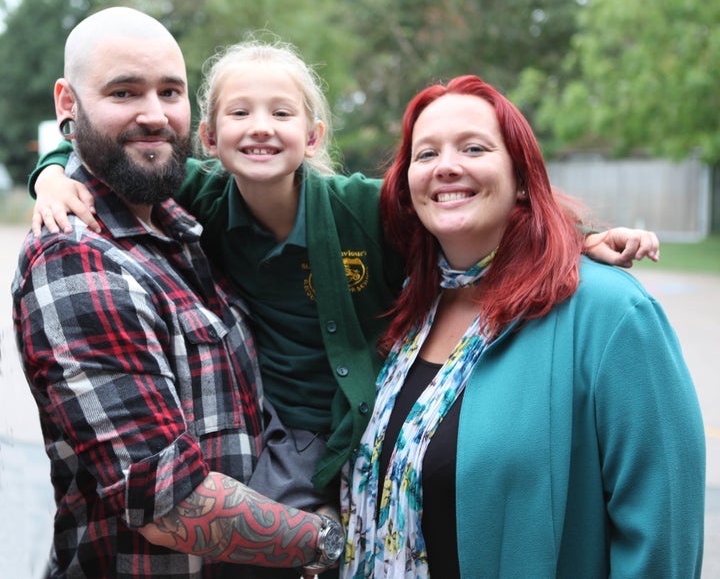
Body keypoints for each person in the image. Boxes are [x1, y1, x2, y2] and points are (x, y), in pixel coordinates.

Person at [30, 38, 661, 511]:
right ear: (209, 138)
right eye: (240, 114)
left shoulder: (363, 207)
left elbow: (468, 214)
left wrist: (582, 239)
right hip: (279, 442)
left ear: (312, 135)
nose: (260, 128)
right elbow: (104, 146)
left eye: (281, 113)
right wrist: (51, 172)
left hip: (366, 426)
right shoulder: (201, 198)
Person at [12, 7, 345, 579]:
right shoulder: (79, 257)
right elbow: (169, 504)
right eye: (124, 92)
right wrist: (335, 541)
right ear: (68, 104)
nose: (154, 115)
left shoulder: (180, 221)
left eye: (170, 91)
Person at [340, 75, 706, 578]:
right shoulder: (407, 307)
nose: (447, 166)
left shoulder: (611, 314)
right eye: (426, 155)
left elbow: (662, 533)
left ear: (521, 177)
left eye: (473, 147)